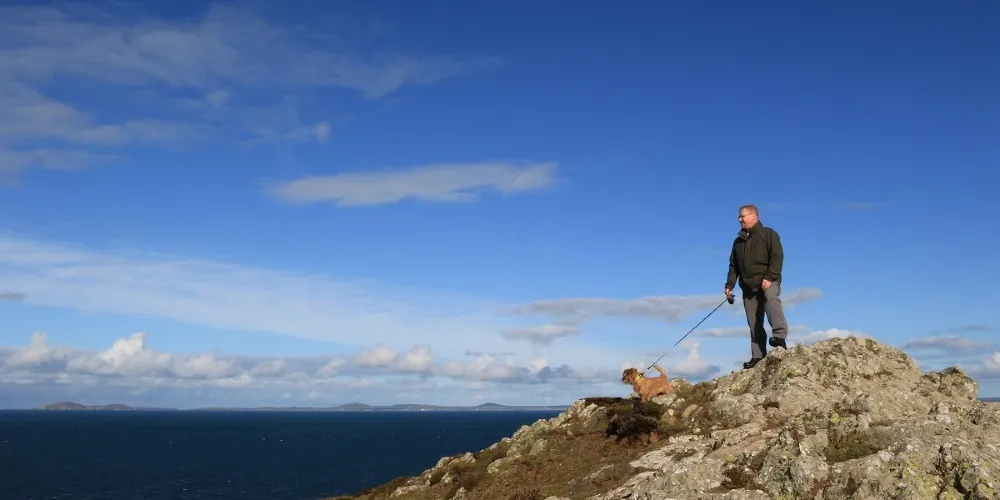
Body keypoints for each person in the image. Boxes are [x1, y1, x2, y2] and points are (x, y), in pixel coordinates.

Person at [724, 204, 789, 369]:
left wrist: (769, 277)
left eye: (742, 216)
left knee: (771, 299)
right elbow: (733, 266)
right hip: (748, 286)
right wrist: (729, 285)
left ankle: (779, 337)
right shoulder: (738, 242)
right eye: (739, 217)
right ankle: (758, 355)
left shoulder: (769, 234)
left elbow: (777, 257)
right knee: (753, 321)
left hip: (769, 280)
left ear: (753, 216)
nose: (739, 219)